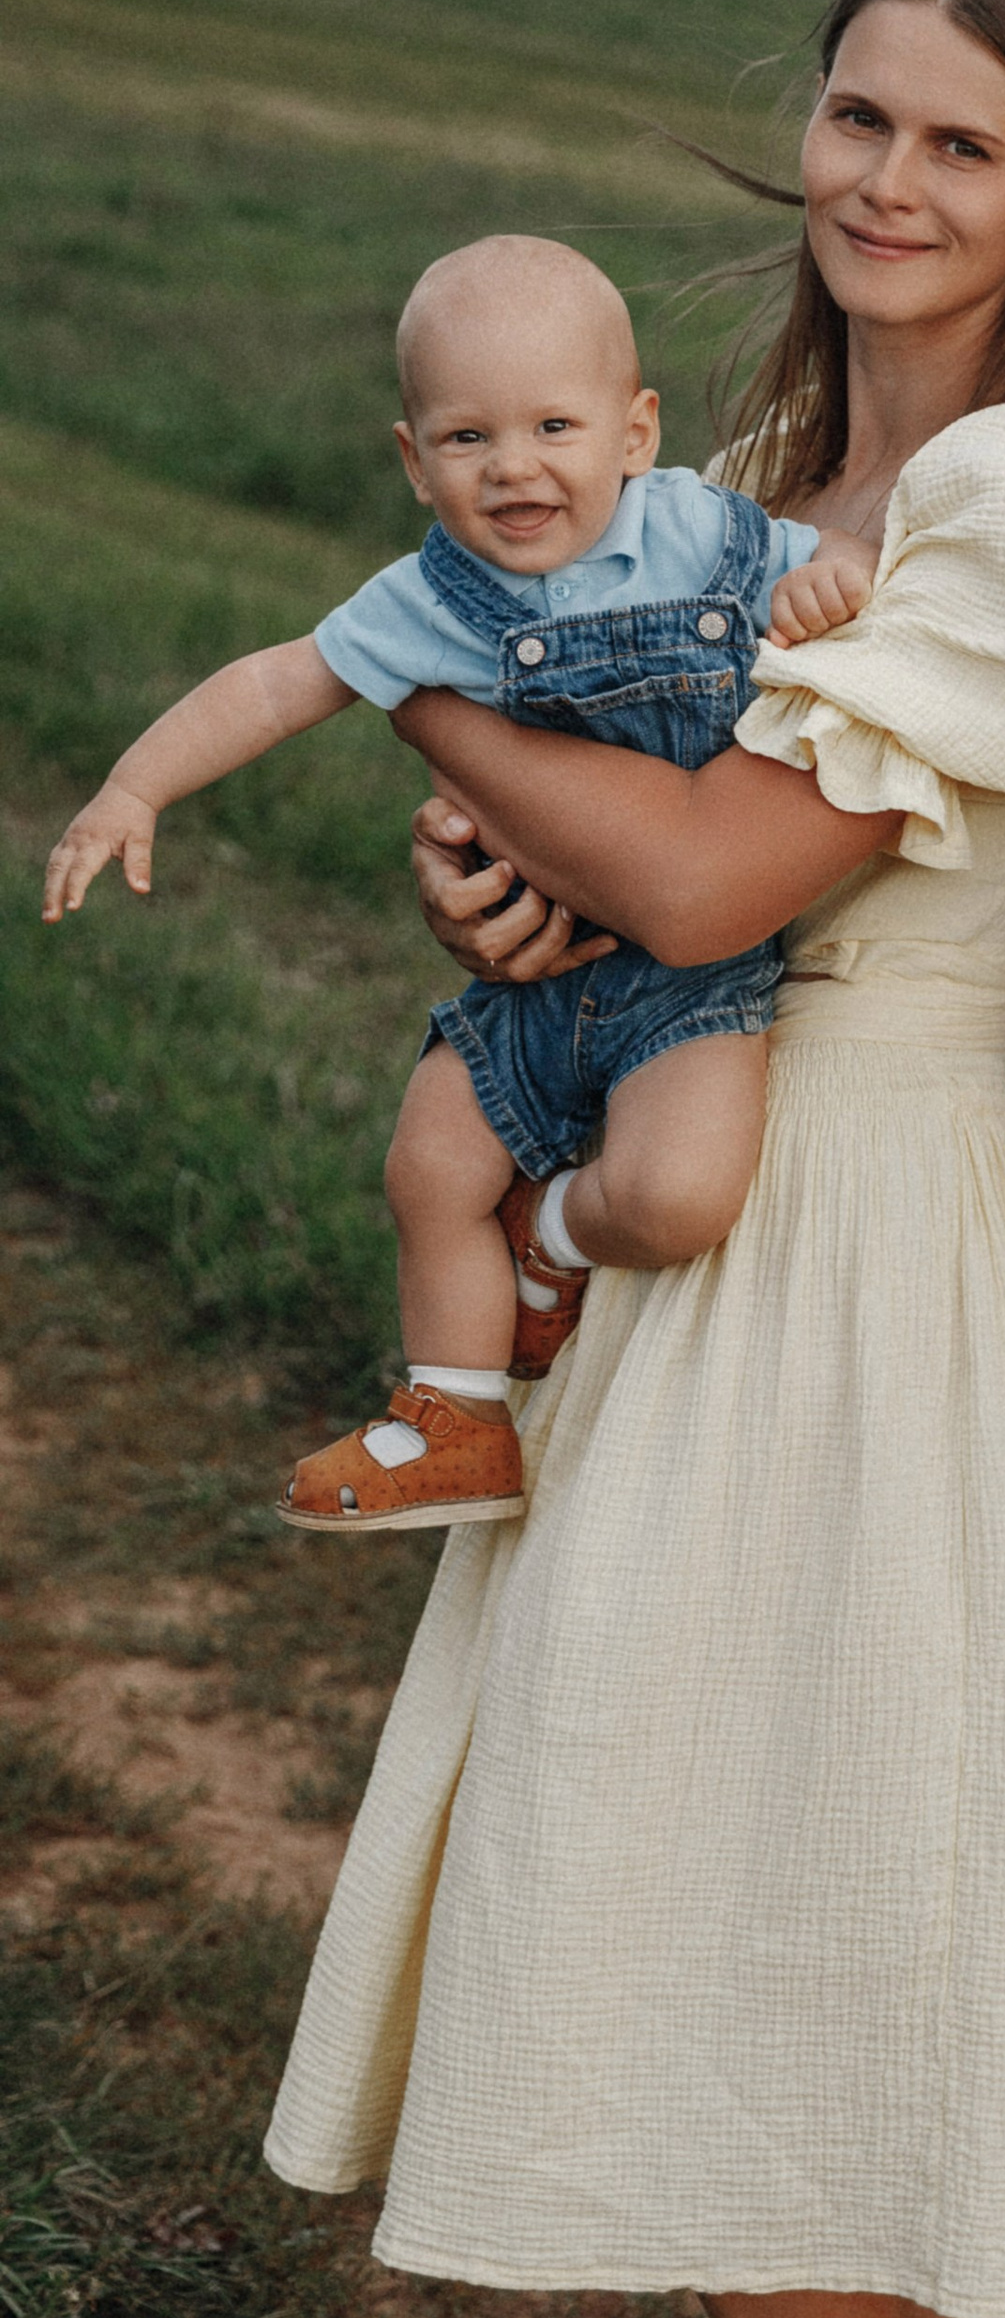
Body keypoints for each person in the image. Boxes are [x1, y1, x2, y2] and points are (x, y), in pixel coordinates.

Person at [264, 0, 1005, 2318]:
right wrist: (505, 882)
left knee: (710, 1892)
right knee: (811, 1885)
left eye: (964, 146)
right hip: (738, 1198)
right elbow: (628, 880)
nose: (889, 182)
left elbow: (705, 883)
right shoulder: (757, 462)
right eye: (860, 115)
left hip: (865, 1239)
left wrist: (433, 703)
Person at [41, 234, 871, 1538]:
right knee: (427, 1166)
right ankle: (452, 1413)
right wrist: (134, 790)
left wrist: (834, 578)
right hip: (535, 980)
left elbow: (833, 567)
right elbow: (273, 683)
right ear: (414, 462)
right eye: (468, 437)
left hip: (695, 977)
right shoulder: (429, 599)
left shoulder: (707, 535)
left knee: (678, 1194)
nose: (516, 466)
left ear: (635, 431)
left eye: (554, 424)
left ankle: (557, 1241)